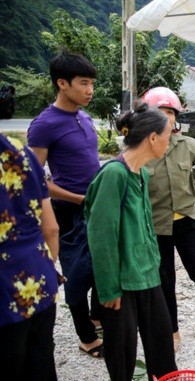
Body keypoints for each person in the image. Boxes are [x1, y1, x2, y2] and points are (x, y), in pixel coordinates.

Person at [85, 102, 177, 380]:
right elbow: (101, 236)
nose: (169, 140)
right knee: (123, 351)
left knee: (162, 344)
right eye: (168, 134)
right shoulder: (114, 175)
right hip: (122, 282)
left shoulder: (143, 173)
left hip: (147, 272)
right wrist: (108, 289)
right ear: (152, 138)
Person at [27, 51, 104, 358]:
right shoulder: (44, 124)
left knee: (103, 266)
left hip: (96, 207)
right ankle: (86, 337)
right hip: (70, 213)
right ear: (62, 83)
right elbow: (35, 180)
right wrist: (79, 199)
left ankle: (96, 319)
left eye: (91, 83)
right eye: (83, 83)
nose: (90, 90)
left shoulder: (83, 116)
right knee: (77, 277)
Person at [142, 87, 195, 354]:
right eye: (160, 112)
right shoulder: (142, 148)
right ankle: (171, 329)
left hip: (186, 219)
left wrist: (192, 185)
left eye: (170, 112)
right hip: (156, 225)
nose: (166, 117)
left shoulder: (188, 145)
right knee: (165, 281)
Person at [0, 134, 60, 380]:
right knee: (41, 363)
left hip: (4, 292)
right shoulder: (20, 151)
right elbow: (51, 228)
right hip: (39, 279)